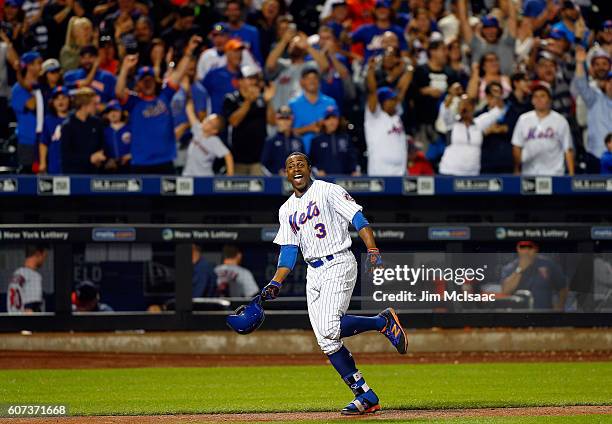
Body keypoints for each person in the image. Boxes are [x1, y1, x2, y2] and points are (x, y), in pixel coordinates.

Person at [261, 152, 408, 415]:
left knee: (329, 327)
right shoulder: (286, 210)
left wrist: (372, 248)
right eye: (290, 166)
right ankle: (366, 396)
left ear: (309, 169)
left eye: (301, 164)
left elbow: (358, 218)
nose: (296, 168)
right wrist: (276, 282)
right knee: (327, 342)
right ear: (286, 174)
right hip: (313, 273)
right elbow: (288, 251)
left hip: (338, 261)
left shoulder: (328, 191)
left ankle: (382, 322)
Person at [116, 35, 202, 174]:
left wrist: (188, 52)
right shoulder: (134, 102)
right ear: (138, 84)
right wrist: (125, 69)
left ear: (155, 81)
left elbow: (178, 74)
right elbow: (119, 92)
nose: (147, 83)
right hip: (141, 163)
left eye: (150, 79)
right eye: (144, 80)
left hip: (165, 161)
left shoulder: (165, 96)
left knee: (167, 196)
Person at [511, 84, 575, 176]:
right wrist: (517, 169)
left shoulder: (560, 120)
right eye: (535, 97)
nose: (538, 99)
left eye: (542, 96)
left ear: (549, 100)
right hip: (529, 173)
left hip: (555, 173)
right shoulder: (523, 119)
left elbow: (568, 148)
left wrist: (571, 174)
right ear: (532, 101)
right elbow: (517, 146)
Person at [438, 91, 505, 176]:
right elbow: (445, 110)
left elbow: (499, 110)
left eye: (467, 104)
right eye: (461, 104)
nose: (464, 107)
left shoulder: (479, 123)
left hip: (472, 174)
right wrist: (452, 94)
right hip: (449, 171)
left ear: (473, 107)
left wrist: (497, 96)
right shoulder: (452, 122)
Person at [223, 65, 272, 175]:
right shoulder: (231, 98)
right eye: (249, 78)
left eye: (254, 79)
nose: (253, 82)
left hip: (259, 160)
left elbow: (272, 121)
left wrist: (268, 102)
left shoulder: (261, 99)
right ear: (240, 81)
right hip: (238, 160)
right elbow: (233, 121)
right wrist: (248, 102)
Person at [364, 57, 410, 176]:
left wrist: (410, 68)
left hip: (400, 172)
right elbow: (372, 91)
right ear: (382, 101)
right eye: (390, 100)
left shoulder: (396, 115)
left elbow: (403, 89)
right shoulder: (375, 116)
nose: (394, 102)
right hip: (380, 171)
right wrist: (370, 71)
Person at [265, 28, 329, 111]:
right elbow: (269, 65)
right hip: (283, 115)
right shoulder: (282, 65)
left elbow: (325, 66)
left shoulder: (310, 66)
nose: (295, 45)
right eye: (292, 43)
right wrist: (284, 41)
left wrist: (307, 46)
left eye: (298, 43)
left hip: (305, 114)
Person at [410, 39, 458, 146]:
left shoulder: (451, 73)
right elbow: (410, 94)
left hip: (445, 124)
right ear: (432, 52)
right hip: (424, 123)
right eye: (443, 50)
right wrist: (424, 91)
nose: (446, 53)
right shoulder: (420, 71)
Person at [572, 47, 612, 166]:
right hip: (596, 153)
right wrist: (579, 63)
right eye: (597, 64)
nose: (601, 67)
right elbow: (581, 84)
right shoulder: (593, 96)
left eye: (604, 64)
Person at [500, 241, 567, 311]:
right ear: (518, 249)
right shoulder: (510, 268)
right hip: (519, 314)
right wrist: (520, 269)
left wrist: (560, 305)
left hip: (544, 314)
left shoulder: (548, 264)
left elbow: (563, 286)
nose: (526, 251)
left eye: (530, 248)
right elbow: (505, 291)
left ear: (536, 249)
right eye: (523, 247)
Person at [457, 0, 517, 75]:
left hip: (507, 84)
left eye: (493, 27)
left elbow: (512, 18)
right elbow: (464, 20)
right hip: (482, 84)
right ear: (481, 31)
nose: (490, 31)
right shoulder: (476, 44)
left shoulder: (508, 42)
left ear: (498, 30)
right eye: (487, 28)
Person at [289, 67, 337, 153]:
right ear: (301, 82)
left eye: (315, 78)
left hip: (327, 154)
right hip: (302, 155)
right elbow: (288, 132)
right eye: (308, 78)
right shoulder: (293, 104)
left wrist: (325, 126)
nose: (312, 81)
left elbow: (338, 127)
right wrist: (309, 128)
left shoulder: (330, 102)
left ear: (319, 81)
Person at [12, 51, 45, 174]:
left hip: (44, 139)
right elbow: (32, 105)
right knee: (28, 176)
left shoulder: (42, 85)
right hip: (27, 140)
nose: (41, 67)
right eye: (38, 63)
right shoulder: (18, 89)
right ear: (29, 66)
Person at [60, 87, 106, 174]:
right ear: (84, 105)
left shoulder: (97, 123)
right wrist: (89, 159)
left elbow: (102, 145)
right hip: (75, 175)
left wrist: (101, 156)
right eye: (94, 104)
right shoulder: (68, 126)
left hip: (94, 173)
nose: (97, 107)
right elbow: (67, 157)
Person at [183, 98, 234, 177]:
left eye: (210, 123)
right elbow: (190, 112)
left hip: (204, 178)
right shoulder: (198, 129)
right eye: (207, 120)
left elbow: (228, 155)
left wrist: (230, 176)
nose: (206, 122)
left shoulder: (214, 141)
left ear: (214, 130)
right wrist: (188, 95)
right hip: (188, 176)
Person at [310, 104, 360, 175]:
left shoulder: (346, 138)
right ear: (324, 121)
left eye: (334, 118)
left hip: (344, 180)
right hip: (323, 181)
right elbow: (311, 162)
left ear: (338, 120)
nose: (332, 121)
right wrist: (317, 171)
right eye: (328, 118)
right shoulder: (316, 140)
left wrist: (354, 170)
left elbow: (352, 158)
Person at [202, 38, 244, 115]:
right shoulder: (214, 74)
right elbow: (202, 93)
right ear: (227, 53)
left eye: (240, 51)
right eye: (235, 51)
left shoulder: (244, 76)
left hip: (237, 120)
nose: (238, 55)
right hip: (218, 120)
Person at [261, 105, 305, 175]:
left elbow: (304, 162)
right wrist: (276, 172)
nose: (285, 121)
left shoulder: (298, 140)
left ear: (292, 120)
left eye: (287, 118)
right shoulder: (270, 141)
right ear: (276, 120)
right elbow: (264, 165)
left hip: (296, 179)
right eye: (281, 118)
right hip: (276, 180)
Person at [6, 244, 49, 314]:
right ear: (38, 254)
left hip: (12, 321)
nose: (44, 260)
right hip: (26, 322)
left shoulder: (17, 274)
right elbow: (30, 309)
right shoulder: (34, 276)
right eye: (44, 256)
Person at [39, 86, 70, 175]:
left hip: (72, 166)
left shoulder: (75, 119)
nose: (60, 102)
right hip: (54, 166)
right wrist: (42, 163)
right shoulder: (48, 120)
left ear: (69, 100)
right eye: (57, 99)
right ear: (52, 102)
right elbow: (43, 142)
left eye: (64, 98)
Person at [224, 0, 263, 65]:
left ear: (240, 11)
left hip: (246, 67)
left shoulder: (252, 31)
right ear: (226, 12)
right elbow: (216, 27)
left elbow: (257, 54)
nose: (232, 13)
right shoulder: (221, 27)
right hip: (224, 66)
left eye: (235, 10)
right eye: (230, 10)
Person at [102, 100, 131, 173]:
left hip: (129, 167)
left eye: (116, 110)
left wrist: (131, 155)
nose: (113, 113)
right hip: (109, 168)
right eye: (110, 111)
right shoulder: (104, 131)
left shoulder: (130, 129)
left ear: (122, 112)